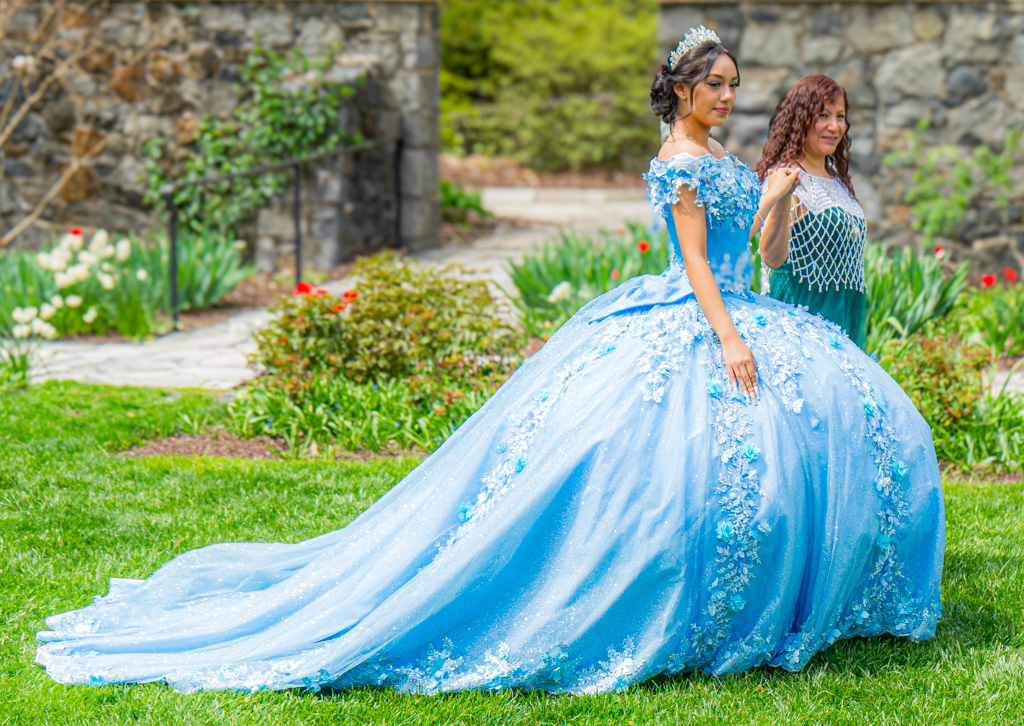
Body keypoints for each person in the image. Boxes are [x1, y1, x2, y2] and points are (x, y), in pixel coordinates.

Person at [35, 28, 944, 695]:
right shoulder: (679, 159)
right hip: (696, 312)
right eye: (715, 85)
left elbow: (757, 253)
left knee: (837, 426)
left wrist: (776, 203)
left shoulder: (726, 155)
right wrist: (730, 338)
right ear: (680, 90)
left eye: (734, 86)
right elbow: (699, 264)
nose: (728, 97)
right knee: (659, 466)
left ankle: (794, 585)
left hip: (749, 305)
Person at [756, 75, 869, 348]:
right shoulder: (785, 176)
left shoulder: (837, 180)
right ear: (801, 119)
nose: (834, 126)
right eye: (823, 115)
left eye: (840, 116)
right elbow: (771, 257)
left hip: (846, 319)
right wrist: (783, 197)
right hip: (804, 330)